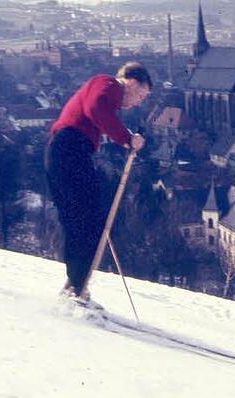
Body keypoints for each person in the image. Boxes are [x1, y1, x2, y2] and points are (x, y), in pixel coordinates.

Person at [46, 62, 151, 303]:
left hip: (64, 152)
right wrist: (126, 138)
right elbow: (96, 109)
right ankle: (76, 290)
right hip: (70, 150)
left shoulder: (105, 91)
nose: (138, 102)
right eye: (141, 95)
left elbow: (97, 112)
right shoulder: (109, 83)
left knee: (80, 221)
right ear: (131, 82)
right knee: (89, 220)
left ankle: (75, 285)